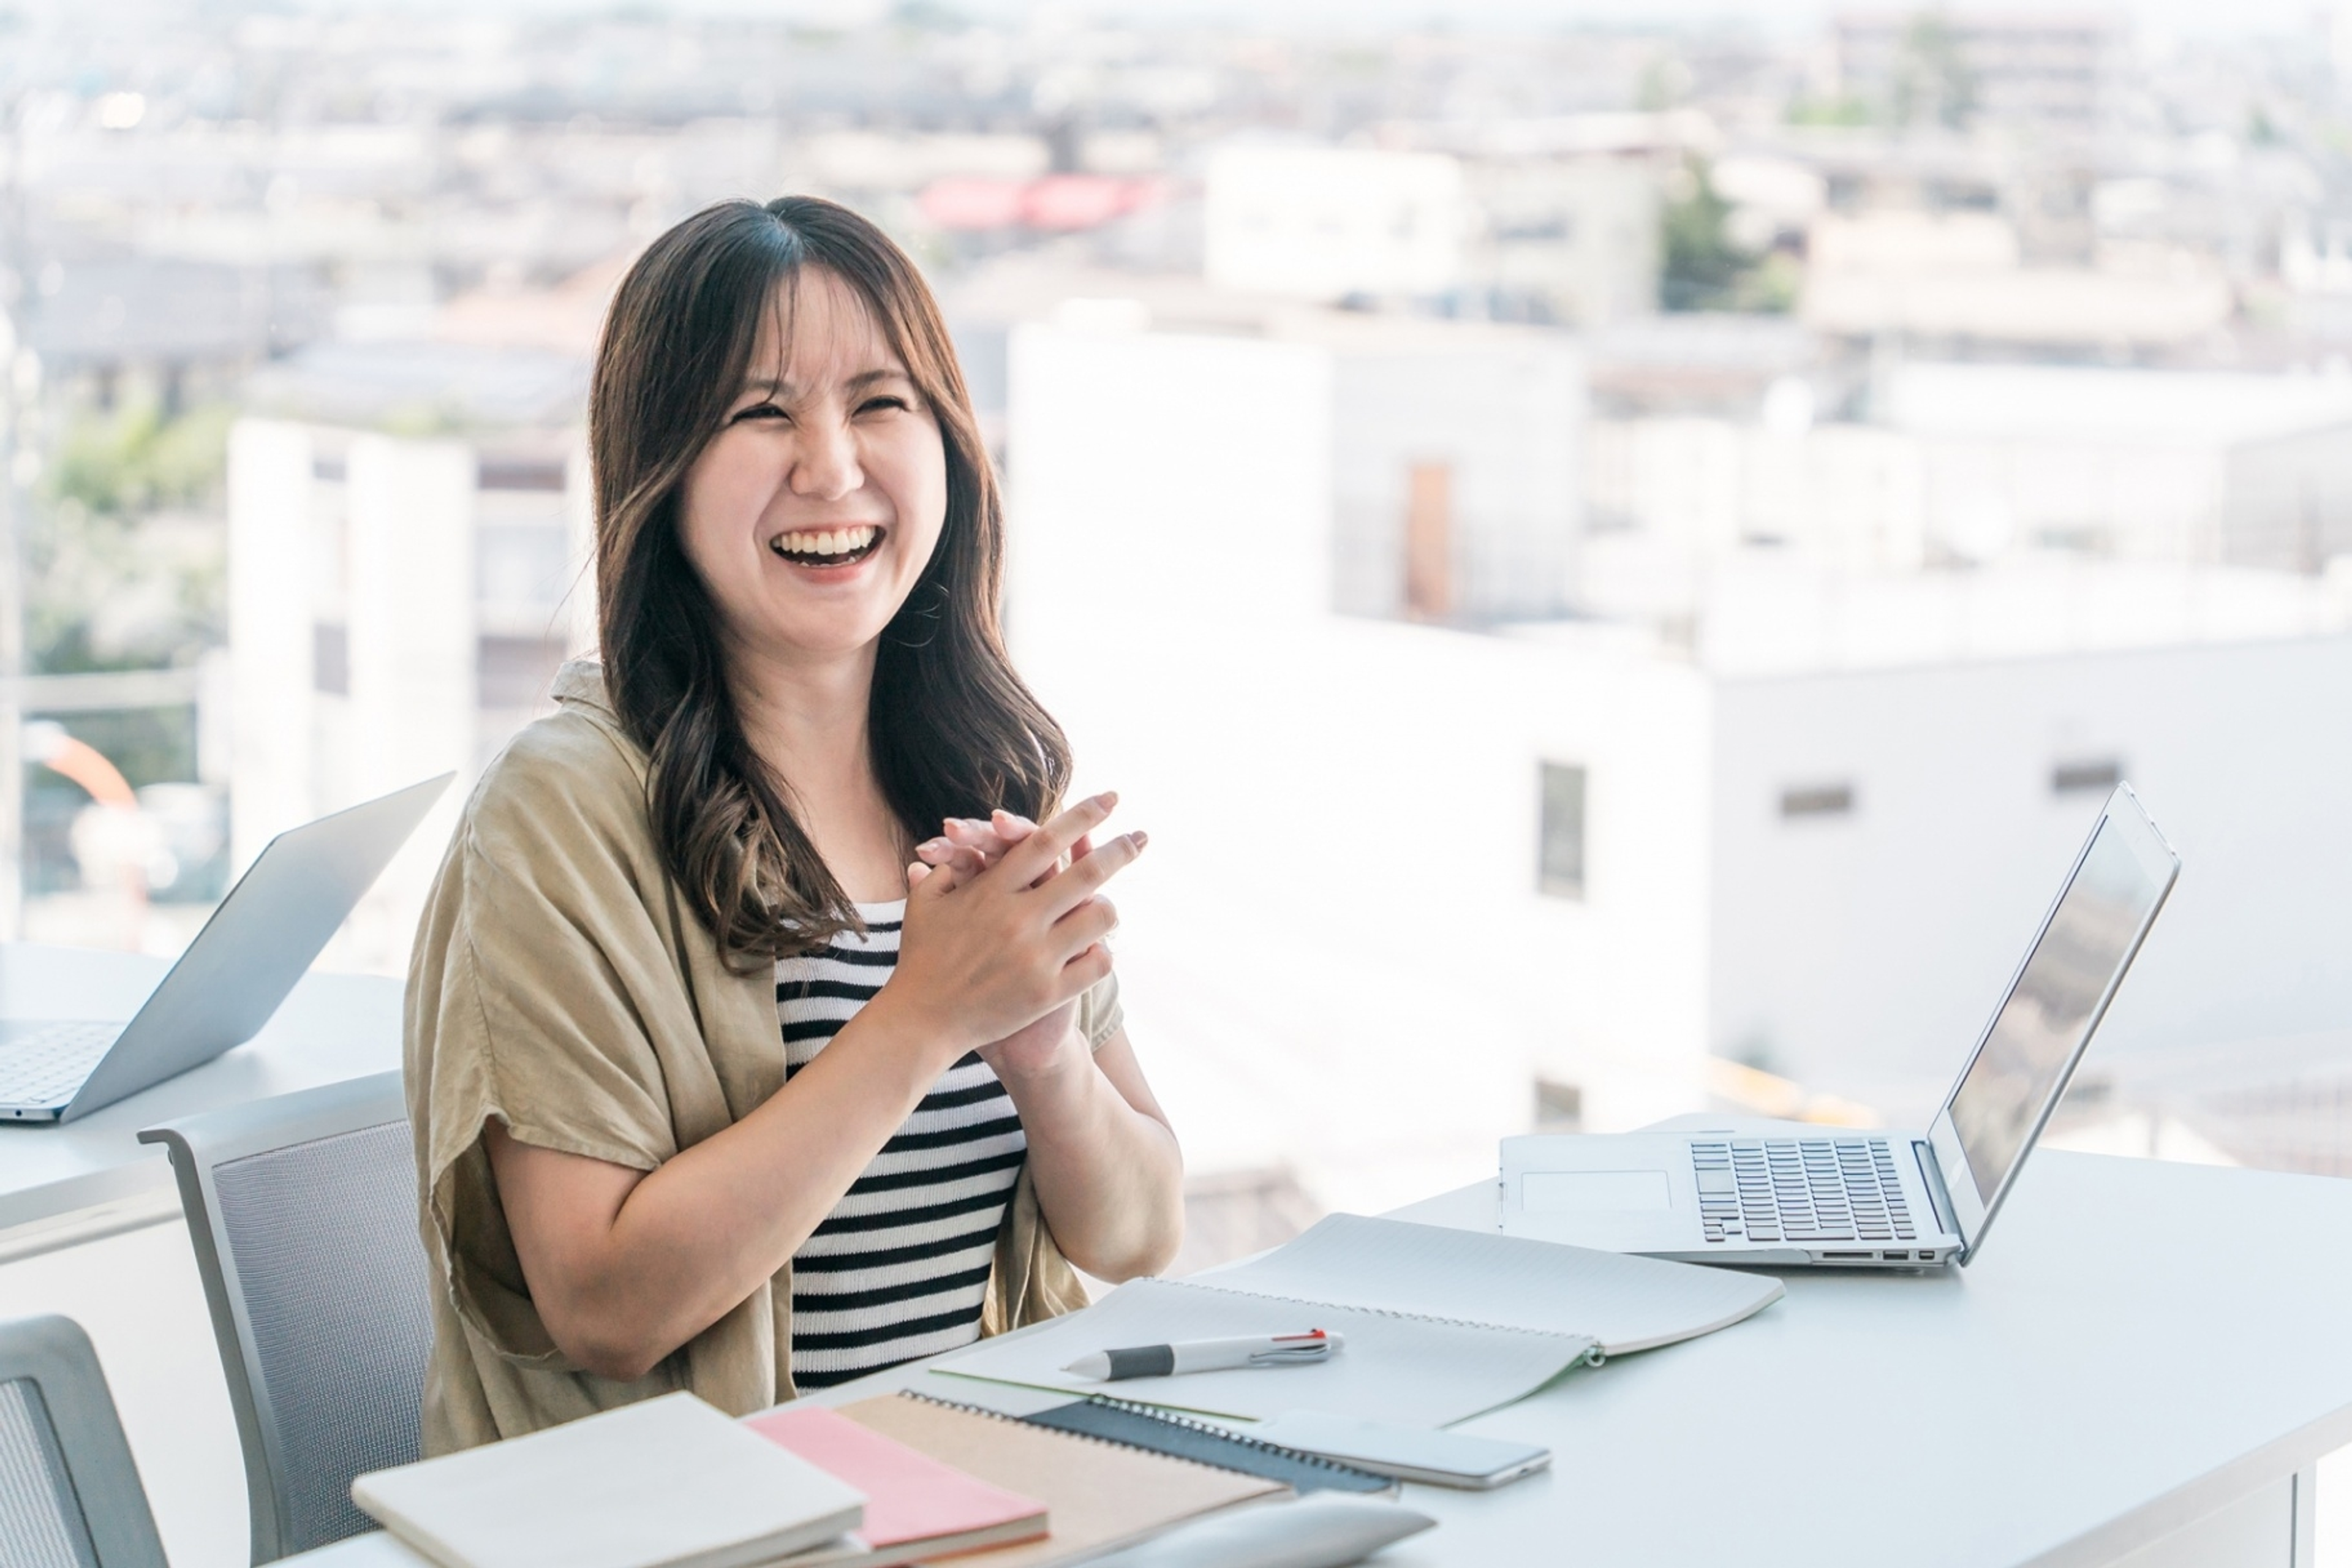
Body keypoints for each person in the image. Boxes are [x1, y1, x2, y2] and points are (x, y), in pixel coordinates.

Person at [404, 195, 1184, 1452]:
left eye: (881, 403)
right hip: (700, 1533)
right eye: (762, 413)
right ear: (659, 473)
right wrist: (925, 1017)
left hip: (977, 1500)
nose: (831, 467)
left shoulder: (978, 777)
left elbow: (1139, 1230)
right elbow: (607, 1302)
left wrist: (1044, 1061)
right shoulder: (559, 812)